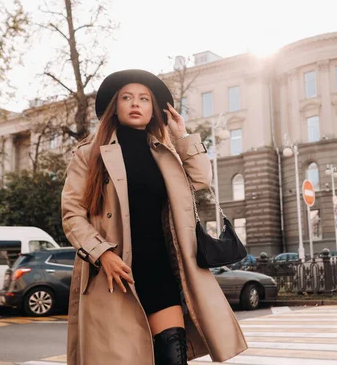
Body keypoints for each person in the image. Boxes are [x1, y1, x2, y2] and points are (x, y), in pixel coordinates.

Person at [61, 70, 247, 365]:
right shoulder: (90, 153)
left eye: (144, 99)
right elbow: (72, 214)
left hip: (160, 270)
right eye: (127, 98)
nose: (136, 104)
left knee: (173, 355)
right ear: (115, 105)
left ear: (153, 109)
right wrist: (102, 254)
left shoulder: (164, 151)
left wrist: (181, 133)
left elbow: (200, 178)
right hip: (115, 275)